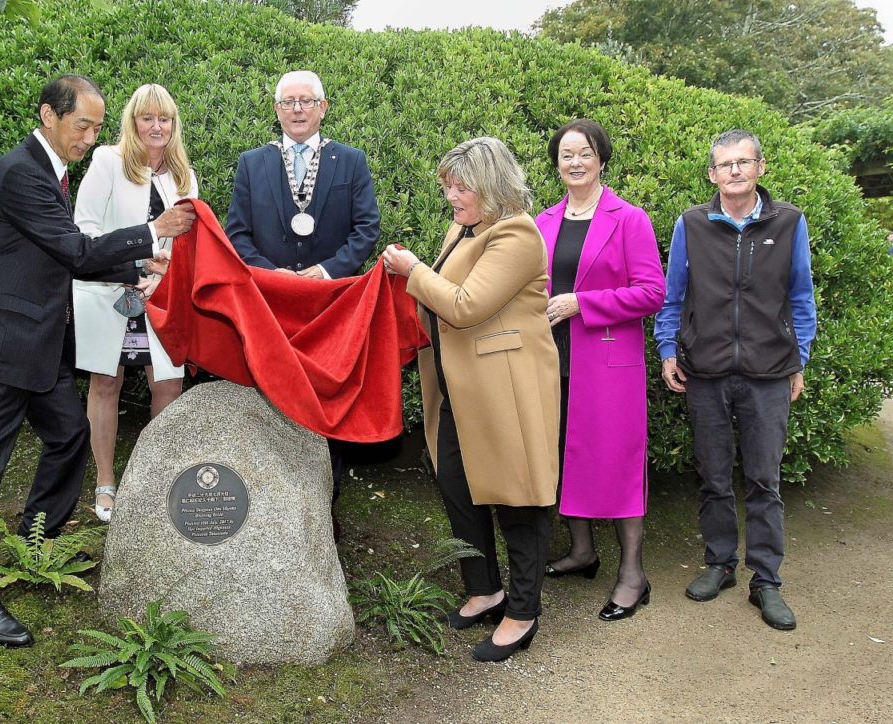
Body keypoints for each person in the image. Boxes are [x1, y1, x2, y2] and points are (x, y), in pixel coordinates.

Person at [0, 75, 195, 647]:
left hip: (37, 345)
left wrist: (141, 269)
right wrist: (152, 233)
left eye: (98, 127)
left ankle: (39, 540)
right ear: (48, 115)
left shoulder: (50, 170)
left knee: (67, 436)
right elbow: (75, 249)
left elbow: (66, 259)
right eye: (83, 125)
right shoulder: (20, 173)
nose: (90, 137)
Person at [382, 137, 560, 662]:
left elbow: (464, 305)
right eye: (449, 186)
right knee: (458, 485)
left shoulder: (517, 233)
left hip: (506, 388)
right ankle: (485, 589)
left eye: (461, 187)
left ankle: (523, 611)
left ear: (491, 186)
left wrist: (412, 272)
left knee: (516, 496)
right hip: (461, 387)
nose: (452, 197)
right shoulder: (465, 228)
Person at [654, 129, 817, 631]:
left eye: (744, 162)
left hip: (769, 374)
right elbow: (673, 296)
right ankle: (720, 563)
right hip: (705, 372)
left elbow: (801, 296)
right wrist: (667, 351)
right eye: (725, 165)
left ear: (760, 168)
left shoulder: (788, 222)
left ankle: (765, 579)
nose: (735, 172)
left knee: (765, 481)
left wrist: (799, 359)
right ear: (712, 174)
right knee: (714, 476)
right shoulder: (692, 223)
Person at [225, 70, 381, 529]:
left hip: (328, 304)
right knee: (266, 393)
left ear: (323, 107)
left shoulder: (350, 161)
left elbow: (366, 227)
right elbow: (236, 231)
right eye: (288, 102)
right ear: (276, 110)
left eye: (306, 101)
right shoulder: (252, 163)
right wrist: (270, 275)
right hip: (269, 304)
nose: (297, 109)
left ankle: (322, 506)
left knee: (321, 401)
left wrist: (328, 270)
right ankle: (264, 503)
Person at [534, 119, 665, 621]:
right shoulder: (543, 220)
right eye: (566, 154)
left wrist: (581, 303)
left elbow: (652, 292)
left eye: (584, 153)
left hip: (608, 361)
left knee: (617, 460)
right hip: (551, 358)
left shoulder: (628, 218)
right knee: (565, 452)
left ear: (602, 159)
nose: (574, 162)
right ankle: (583, 551)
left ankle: (633, 573)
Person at [73, 83, 199, 522]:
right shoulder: (108, 161)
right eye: (147, 117)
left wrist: (168, 271)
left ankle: (154, 481)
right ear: (133, 121)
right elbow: (83, 231)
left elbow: (192, 241)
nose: (156, 126)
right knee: (106, 384)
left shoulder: (184, 173)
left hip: (164, 296)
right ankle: (105, 483)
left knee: (168, 385)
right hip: (110, 291)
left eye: (164, 118)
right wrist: (138, 258)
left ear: (173, 125)